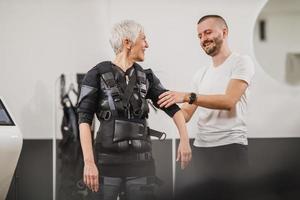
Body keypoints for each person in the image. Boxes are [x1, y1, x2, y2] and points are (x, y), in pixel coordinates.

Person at [77, 20, 192, 200]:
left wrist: (184, 141)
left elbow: (174, 110)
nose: (147, 45)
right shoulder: (96, 74)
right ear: (127, 42)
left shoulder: (146, 77)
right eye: (143, 39)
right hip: (105, 165)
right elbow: (84, 120)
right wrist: (89, 162)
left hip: (142, 166)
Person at [157, 15, 255, 200]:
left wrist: (186, 96)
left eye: (207, 32)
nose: (203, 39)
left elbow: (228, 101)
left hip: (230, 148)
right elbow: (185, 114)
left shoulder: (241, 62)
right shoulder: (201, 74)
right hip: (202, 150)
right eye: (200, 36)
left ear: (224, 32)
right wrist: (162, 100)